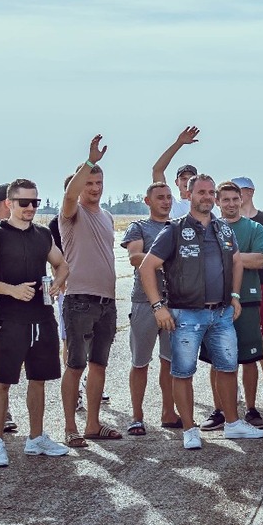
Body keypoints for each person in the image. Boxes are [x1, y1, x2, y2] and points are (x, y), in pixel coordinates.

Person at [139, 174, 249, 450]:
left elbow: (236, 261)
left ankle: (233, 423)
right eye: (202, 192)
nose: (208, 197)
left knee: (227, 368)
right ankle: (189, 428)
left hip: (221, 313)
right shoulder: (173, 230)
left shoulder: (224, 229)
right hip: (186, 314)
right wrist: (157, 306)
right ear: (189, 195)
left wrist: (235, 296)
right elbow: (146, 267)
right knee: (183, 372)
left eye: (211, 192)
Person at [0, 178, 71, 464]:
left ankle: (36, 438)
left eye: (35, 202)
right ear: (9, 204)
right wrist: (10, 290)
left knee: (38, 379)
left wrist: (58, 282)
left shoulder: (42, 235)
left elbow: (62, 264)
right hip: (10, 318)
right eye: (24, 202)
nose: (30, 207)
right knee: (1, 380)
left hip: (42, 316)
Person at [57, 136, 121, 447]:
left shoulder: (107, 217)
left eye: (98, 182)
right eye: (89, 182)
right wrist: (91, 161)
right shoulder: (71, 213)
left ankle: (93, 423)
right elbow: (70, 195)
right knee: (75, 364)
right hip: (78, 300)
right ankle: (70, 426)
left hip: (106, 302)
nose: (94, 187)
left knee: (99, 365)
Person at [121, 180, 177, 436]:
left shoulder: (178, 227)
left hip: (174, 303)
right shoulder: (139, 227)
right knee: (140, 362)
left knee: (169, 363)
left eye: (168, 197)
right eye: (160, 197)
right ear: (148, 201)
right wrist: (162, 262)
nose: (165, 201)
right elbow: (134, 257)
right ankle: (137, 417)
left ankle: (169, 412)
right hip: (144, 301)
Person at [221, 180, 263, 429]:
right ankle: (220, 409)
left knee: (250, 357)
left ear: (241, 200)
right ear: (218, 202)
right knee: (217, 358)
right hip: (216, 301)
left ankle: (251, 408)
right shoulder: (212, 228)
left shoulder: (254, 228)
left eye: (235, 199)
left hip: (249, 298)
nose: (231, 203)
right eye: (226, 199)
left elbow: (261, 259)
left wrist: (226, 256)